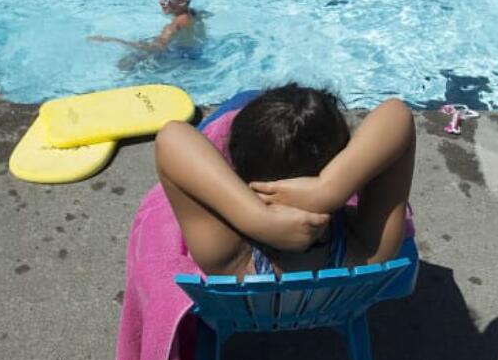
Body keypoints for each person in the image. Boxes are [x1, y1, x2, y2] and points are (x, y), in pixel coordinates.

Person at [154, 85, 415, 277]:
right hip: (340, 297)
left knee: (240, 99)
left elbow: (171, 137)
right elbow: (397, 114)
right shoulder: (368, 251)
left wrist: (259, 219)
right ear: (342, 160)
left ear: (241, 174)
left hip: (248, 309)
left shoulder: (231, 259)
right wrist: (328, 189)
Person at [88, 0, 201, 55]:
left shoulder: (173, 27)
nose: (161, 3)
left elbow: (155, 48)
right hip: (192, 53)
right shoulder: (193, 13)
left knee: (128, 61)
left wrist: (114, 41)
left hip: (179, 59)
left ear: (182, 2)